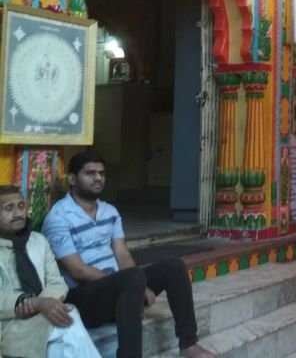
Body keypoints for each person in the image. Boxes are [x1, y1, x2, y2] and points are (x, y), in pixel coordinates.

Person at [42, 149, 214, 358]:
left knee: (174, 267)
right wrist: (135, 283)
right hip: (84, 299)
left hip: (120, 290)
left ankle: (188, 344)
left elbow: (122, 254)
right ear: (72, 179)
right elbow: (78, 270)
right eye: (90, 173)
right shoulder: (58, 217)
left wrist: (136, 282)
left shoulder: (109, 211)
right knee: (131, 278)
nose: (98, 178)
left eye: (101, 173)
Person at [0, 185, 101, 358]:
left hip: (42, 317)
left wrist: (46, 304)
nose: (18, 213)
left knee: (63, 330)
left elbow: (57, 282)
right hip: (9, 325)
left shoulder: (39, 241)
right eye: (9, 208)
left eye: (21, 206)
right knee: (68, 321)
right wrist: (35, 303)